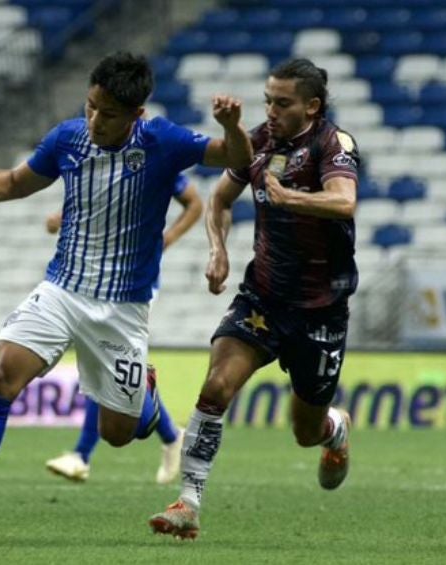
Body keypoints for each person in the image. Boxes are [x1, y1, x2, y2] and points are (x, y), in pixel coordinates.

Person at [0, 51, 252, 537]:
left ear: (136, 115)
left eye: (108, 113)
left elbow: (235, 158)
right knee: (1, 377)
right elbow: (16, 183)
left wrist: (232, 127)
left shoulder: (162, 140)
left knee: (117, 435)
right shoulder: (68, 138)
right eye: (90, 106)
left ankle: (142, 398)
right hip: (62, 290)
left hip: (122, 309)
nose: (95, 120)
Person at [148, 58, 360, 540]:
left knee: (304, 432)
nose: (272, 111)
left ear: (312, 106)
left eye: (282, 103)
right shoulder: (259, 141)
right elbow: (220, 201)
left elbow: (344, 200)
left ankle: (334, 427)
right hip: (262, 298)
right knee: (216, 387)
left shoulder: (333, 143)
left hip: (320, 309)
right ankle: (189, 502)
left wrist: (293, 200)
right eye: (268, 100)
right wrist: (218, 251)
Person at [44, 172, 202, 484]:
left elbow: (195, 204)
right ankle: (171, 436)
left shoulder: (157, 153)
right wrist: (64, 217)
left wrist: (167, 239)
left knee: (105, 359)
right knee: (107, 362)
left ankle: (82, 455)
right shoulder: (104, 156)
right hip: (95, 280)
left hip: (134, 283)